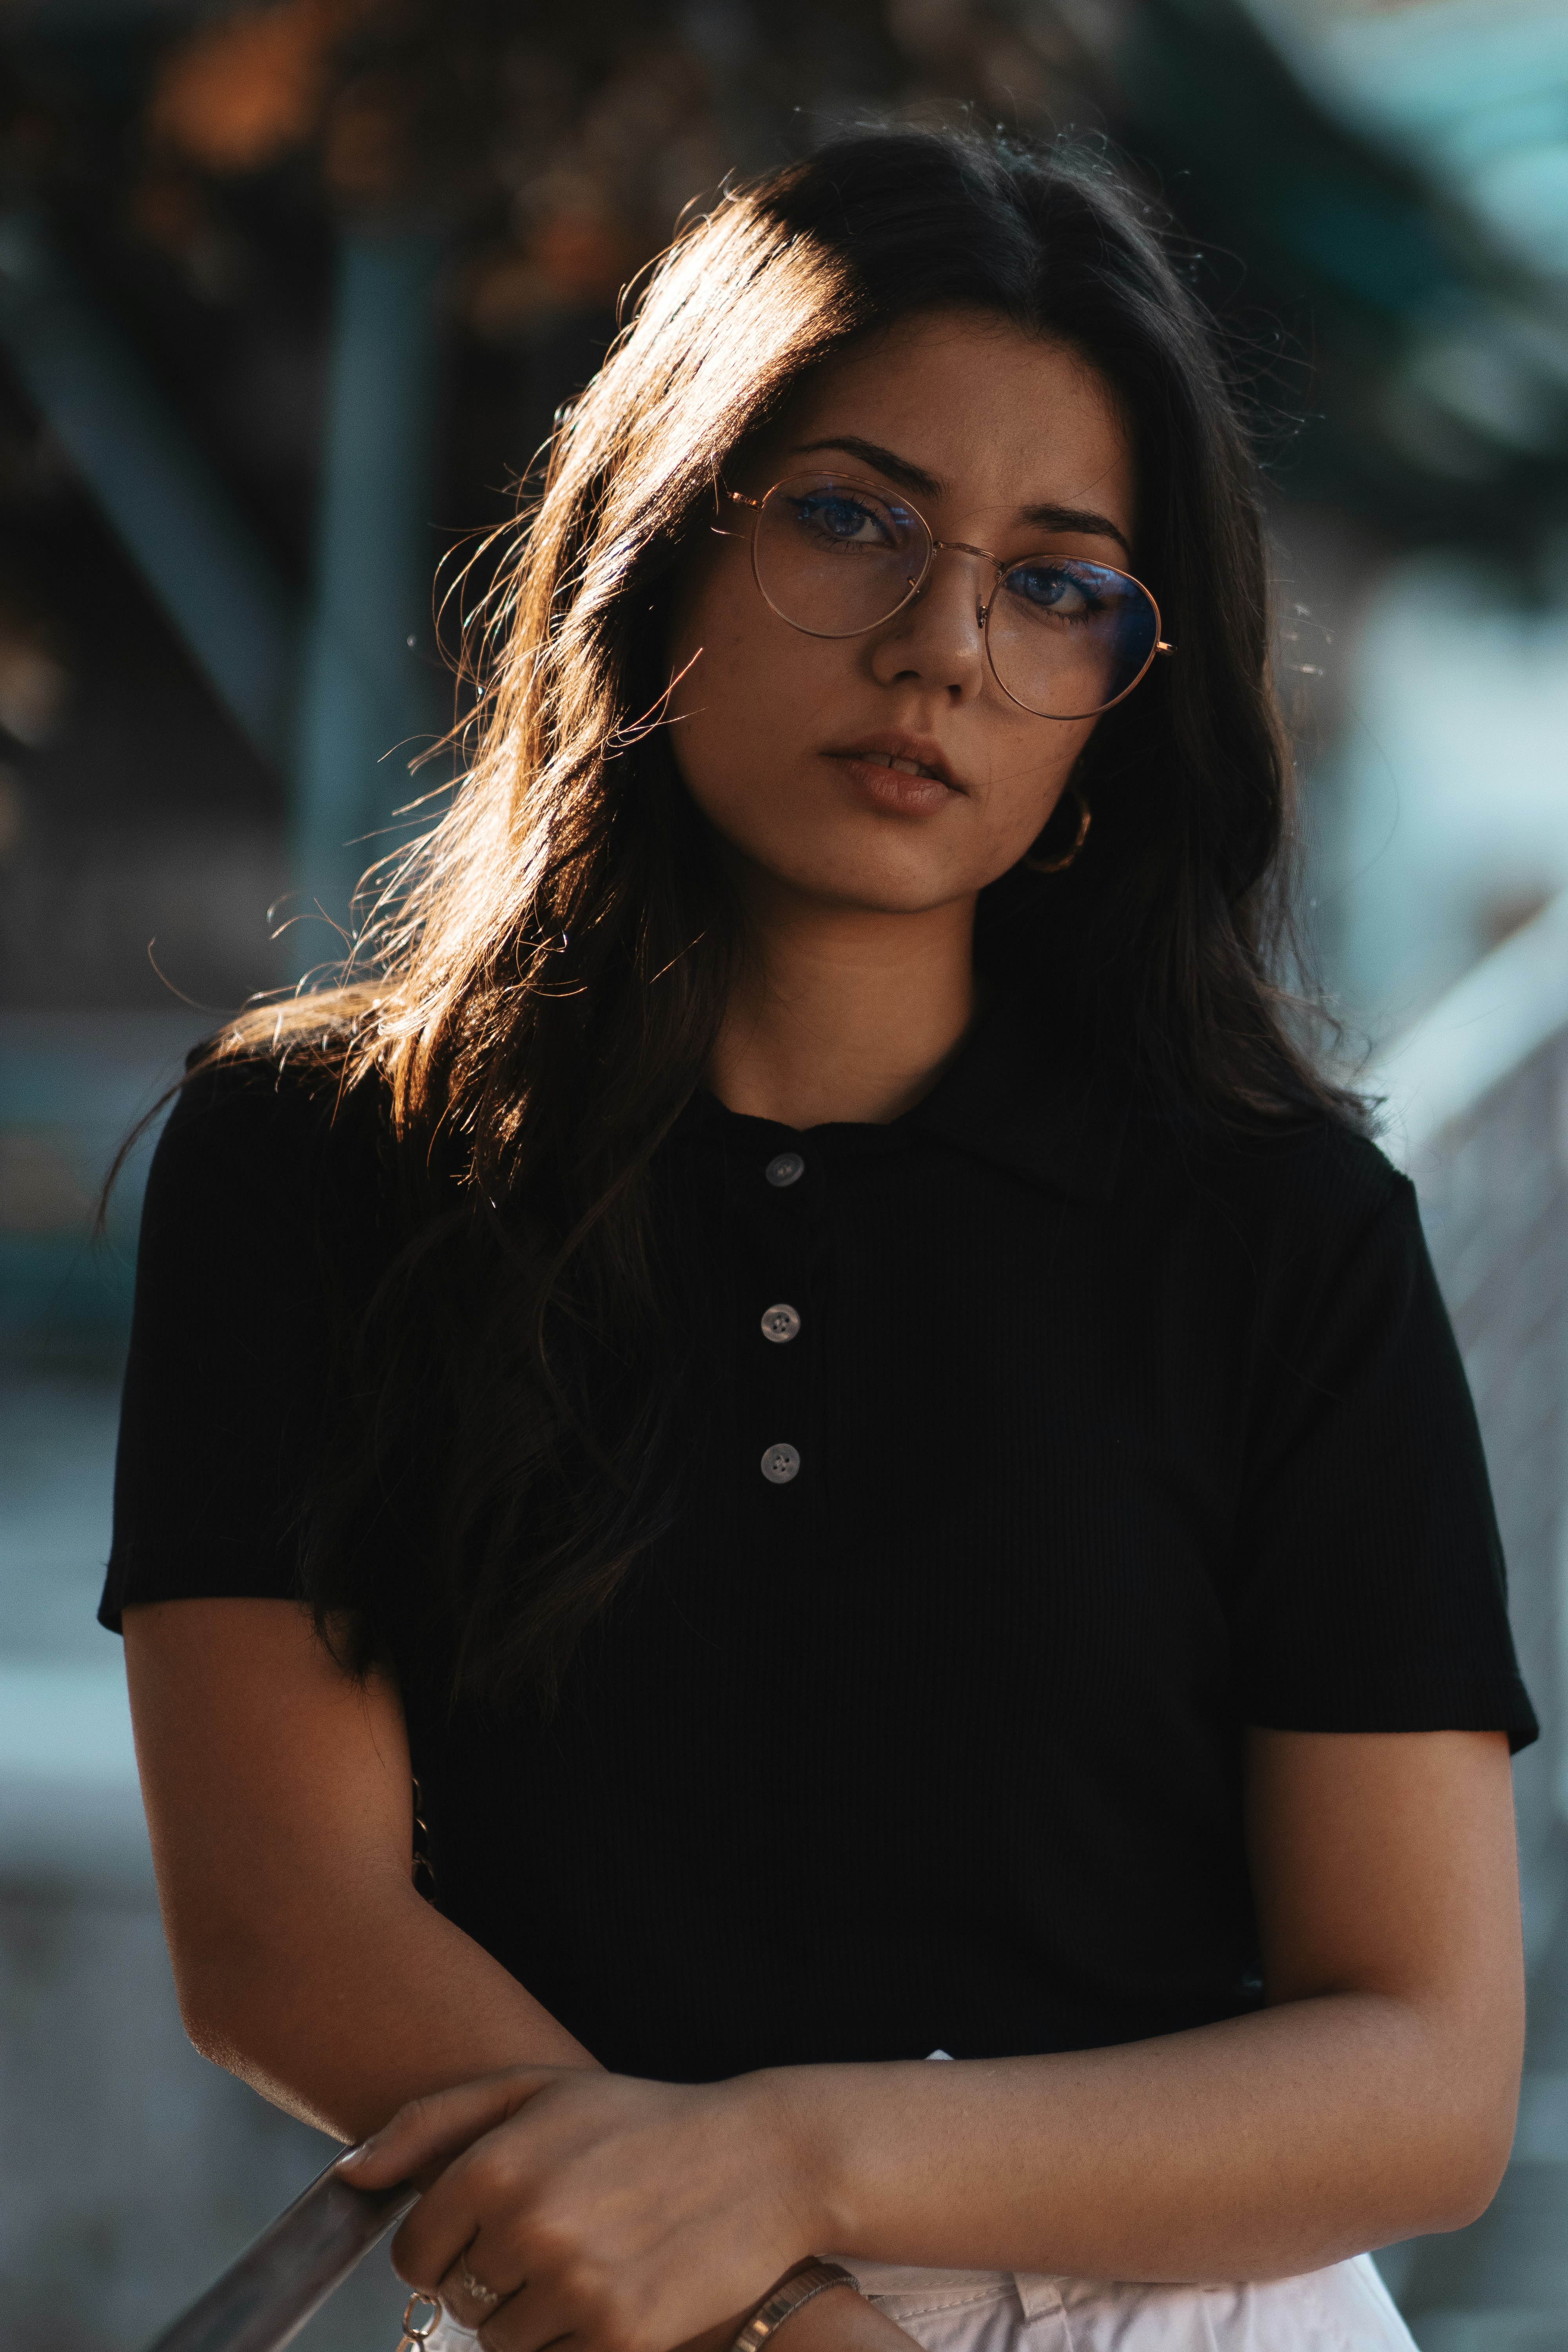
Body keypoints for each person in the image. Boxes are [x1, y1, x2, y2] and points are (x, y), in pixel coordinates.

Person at [103, 129, 1536, 2352]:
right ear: (666, 543)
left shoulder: (1279, 1230)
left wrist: (784, 2175)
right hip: (600, 2314)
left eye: (1062, 581)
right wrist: (772, 2313)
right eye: (854, 519)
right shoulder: (320, 1160)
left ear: (1127, 690)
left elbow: (1428, 2075)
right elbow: (284, 1931)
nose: (944, 646)